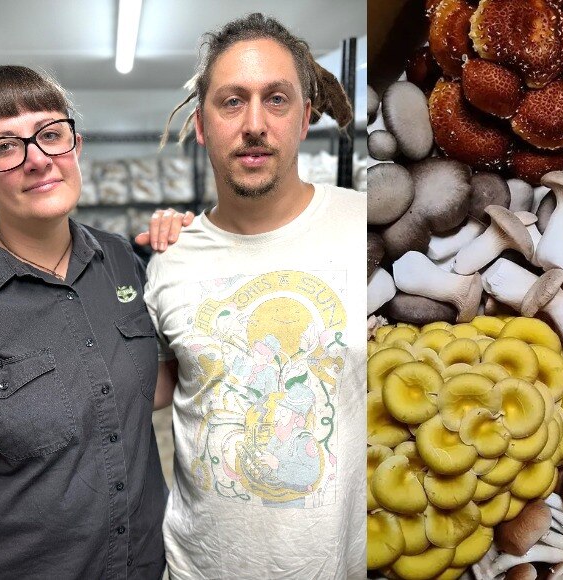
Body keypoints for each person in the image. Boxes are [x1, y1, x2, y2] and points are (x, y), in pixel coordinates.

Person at [0, 65, 189, 579]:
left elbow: (144, 387)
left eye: (51, 134)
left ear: (76, 144)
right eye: (5, 147)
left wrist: (201, 257)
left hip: (145, 565)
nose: (38, 160)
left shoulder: (119, 258)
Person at [146, 13, 366, 579]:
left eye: (276, 99)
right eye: (231, 102)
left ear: (305, 118)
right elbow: (141, 392)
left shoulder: (365, 227)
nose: (254, 125)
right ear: (201, 125)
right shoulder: (170, 260)